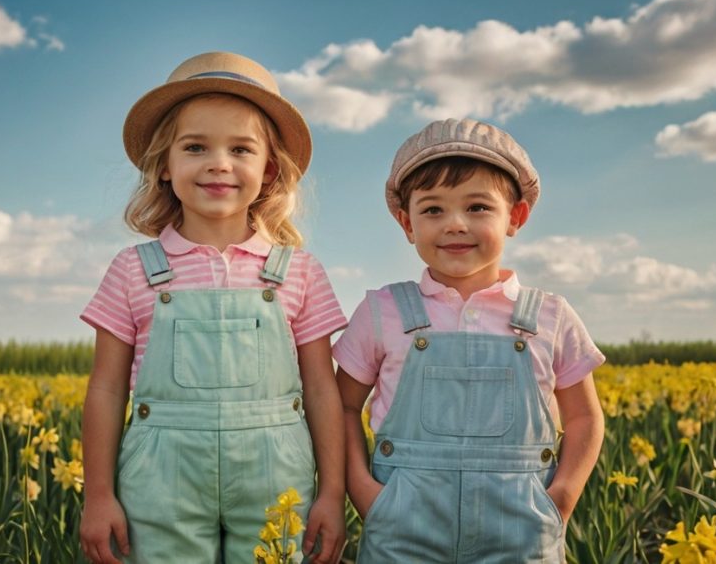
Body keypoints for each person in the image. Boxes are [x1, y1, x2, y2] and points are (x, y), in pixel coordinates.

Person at [79, 52, 347, 564]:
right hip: (159, 480)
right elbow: (107, 387)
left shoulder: (300, 271)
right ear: (164, 165)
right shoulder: (133, 268)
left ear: (269, 170)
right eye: (195, 147)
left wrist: (331, 494)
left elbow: (320, 388)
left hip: (278, 476)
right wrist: (98, 495)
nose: (218, 163)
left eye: (241, 149)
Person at [333, 118, 606, 562]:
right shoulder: (382, 311)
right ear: (407, 223)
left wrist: (560, 501)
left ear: (515, 216)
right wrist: (366, 496)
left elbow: (584, 419)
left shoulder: (551, 316)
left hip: (521, 533)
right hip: (401, 532)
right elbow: (342, 405)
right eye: (433, 210)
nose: (455, 224)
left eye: (478, 207)